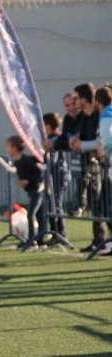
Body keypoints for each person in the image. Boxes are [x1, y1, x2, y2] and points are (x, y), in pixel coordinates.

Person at [70, 85, 112, 255]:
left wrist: (86, 146)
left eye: (77, 98)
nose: (75, 102)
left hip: (103, 166)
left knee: (104, 204)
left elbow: (105, 142)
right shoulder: (86, 118)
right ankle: (100, 240)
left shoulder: (104, 115)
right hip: (102, 165)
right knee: (101, 204)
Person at [0, 135, 46, 250]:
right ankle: (40, 240)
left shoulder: (28, 160)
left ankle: (32, 240)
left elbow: (40, 173)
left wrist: (28, 181)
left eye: (8, 147)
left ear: (15, 148)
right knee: (40, 215)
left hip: (38, 191)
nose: (7, 149)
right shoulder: (18, 162)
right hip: (31, 192)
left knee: (31, 214)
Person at [42, 112, 68, 241]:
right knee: (51, 204)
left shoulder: (54, 139)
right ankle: (54, 232)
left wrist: (44, 158)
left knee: (56, 204)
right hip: (52, 175)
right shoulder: (53, 138)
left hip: (57, 176)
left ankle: (60, 233)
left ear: (47, 125)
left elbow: (53, 158)